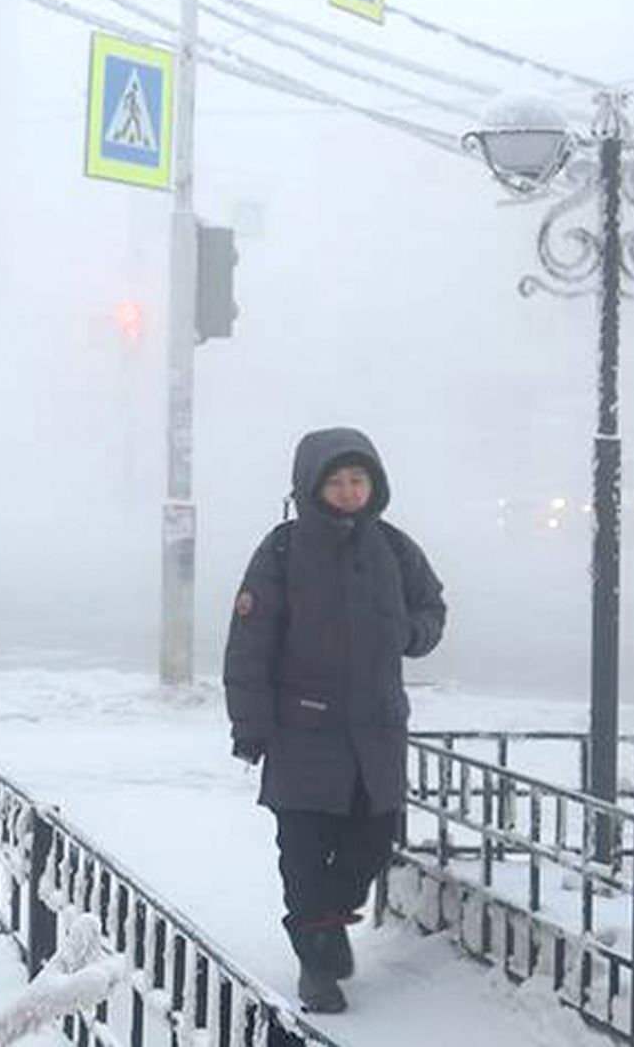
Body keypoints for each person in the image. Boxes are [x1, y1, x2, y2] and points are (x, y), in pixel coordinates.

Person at [223, 427, 446, 1014]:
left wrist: (412, 633)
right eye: (336, 481)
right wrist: (250, 726)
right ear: (311, 487)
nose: (348, 491)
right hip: (302, 731)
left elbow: (432, 608)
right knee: (302, 850)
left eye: (358, 480)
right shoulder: (281, 550)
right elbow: (249, 645)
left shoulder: (395, 549)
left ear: (374, 485)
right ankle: (315, 965)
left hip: (376, 735)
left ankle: (324, 924)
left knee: (370, 846)